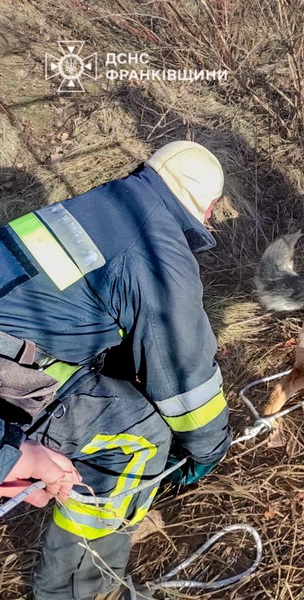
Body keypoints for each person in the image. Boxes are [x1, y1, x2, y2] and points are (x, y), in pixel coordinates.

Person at [0, 141, 232, 600]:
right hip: (11, 368)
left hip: (13, 342)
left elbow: (79, 305)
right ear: (206, 209)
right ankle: (79, 589)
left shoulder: (95, 203)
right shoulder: (158, 247)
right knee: (140, 439)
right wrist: (207, 450)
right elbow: (186, 379)